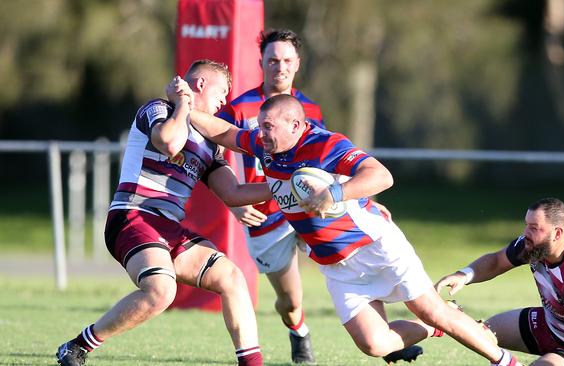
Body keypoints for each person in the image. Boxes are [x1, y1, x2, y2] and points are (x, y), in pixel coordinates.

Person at [170, 84, 522, 366]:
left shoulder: (325, 143)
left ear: (296, 125)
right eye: (260, 127)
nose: (260, 134)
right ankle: (433, 329)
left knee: (431, 308)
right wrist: (185, 107)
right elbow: (227, 134)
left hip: (375, 247)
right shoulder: (266, 146)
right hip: (336, 267)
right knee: (374, 344)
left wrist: (335, 192)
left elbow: (381, 176)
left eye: (268, 127)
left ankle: (504, 361)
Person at [55, 60, 270, 366]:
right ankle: (77, 346)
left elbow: (234, 193)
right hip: (134, 215)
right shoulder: (158, 109)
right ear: (200, 85)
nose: (224, 101)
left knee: (232, 277)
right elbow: (169, 142)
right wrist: (182, 104)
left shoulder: (210, 145)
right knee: (161, 290)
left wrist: (284, 189)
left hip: (167, 227)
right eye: (222, 92)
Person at [214, 28, 324, 364]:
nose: (280, 66)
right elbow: (212, 156)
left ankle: (390, 335)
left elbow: (326, 160)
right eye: (273, 59)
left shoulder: (312, 110)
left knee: (354, 262)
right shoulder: (239, 108)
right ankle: (298, 329)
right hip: (265, 217)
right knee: (290, 302)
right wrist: (233, 202)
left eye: (287, 60)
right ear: (261, 61)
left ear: (297, 64)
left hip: (306, 210)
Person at [435, 198, 564, 366]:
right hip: (551, 324)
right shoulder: (536, 245)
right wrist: (464, 275)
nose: (526, 232)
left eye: (534, 227)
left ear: (557, 233)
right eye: (526, 225)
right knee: (481, 334)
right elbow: (497, 261)